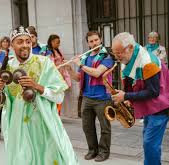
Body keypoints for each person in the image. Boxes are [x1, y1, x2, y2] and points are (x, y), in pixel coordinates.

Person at [0, 26, 78, 164]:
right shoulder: (6, 68)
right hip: (19, 129)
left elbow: (59, 97)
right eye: (20, 41)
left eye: (28, 41)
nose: (25, 45)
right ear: (12, 45)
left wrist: (37, 86)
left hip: (42, 126)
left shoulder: (44, 63)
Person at [111, 32, 169, 165]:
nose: (116, 56)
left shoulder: (147, 62)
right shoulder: (130, 57)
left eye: (118, 52)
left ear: (130, 47)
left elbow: (153, 92)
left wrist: (126, 96)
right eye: (114, 52)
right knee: (150, 144)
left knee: (150, 144)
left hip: (160, 107)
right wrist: (127, 98)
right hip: (150, 107)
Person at [65, 31, 114, 162]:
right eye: (91, 41)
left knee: (105, 128)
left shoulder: (107, 57)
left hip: (103, 98)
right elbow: (78, 78)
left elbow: (97, 73)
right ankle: (92, 150)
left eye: (96, 40)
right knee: (87, 127)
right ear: (88, 43)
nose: (94, 43)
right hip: (87, 97)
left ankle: (104, 152)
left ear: (100, 40)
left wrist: (80, 64)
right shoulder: (85, 58)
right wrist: (69, 69)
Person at [47, 34, 71, 115]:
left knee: (60, 97)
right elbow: (50, 66)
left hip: (61, 77)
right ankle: (55, 114)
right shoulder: (48, 52)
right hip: (53, 79)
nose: (58, 44)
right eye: (57, 43)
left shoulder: (58, 51)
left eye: (59, 42)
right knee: (54, 97)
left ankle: (57, 114)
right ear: (52, 42)